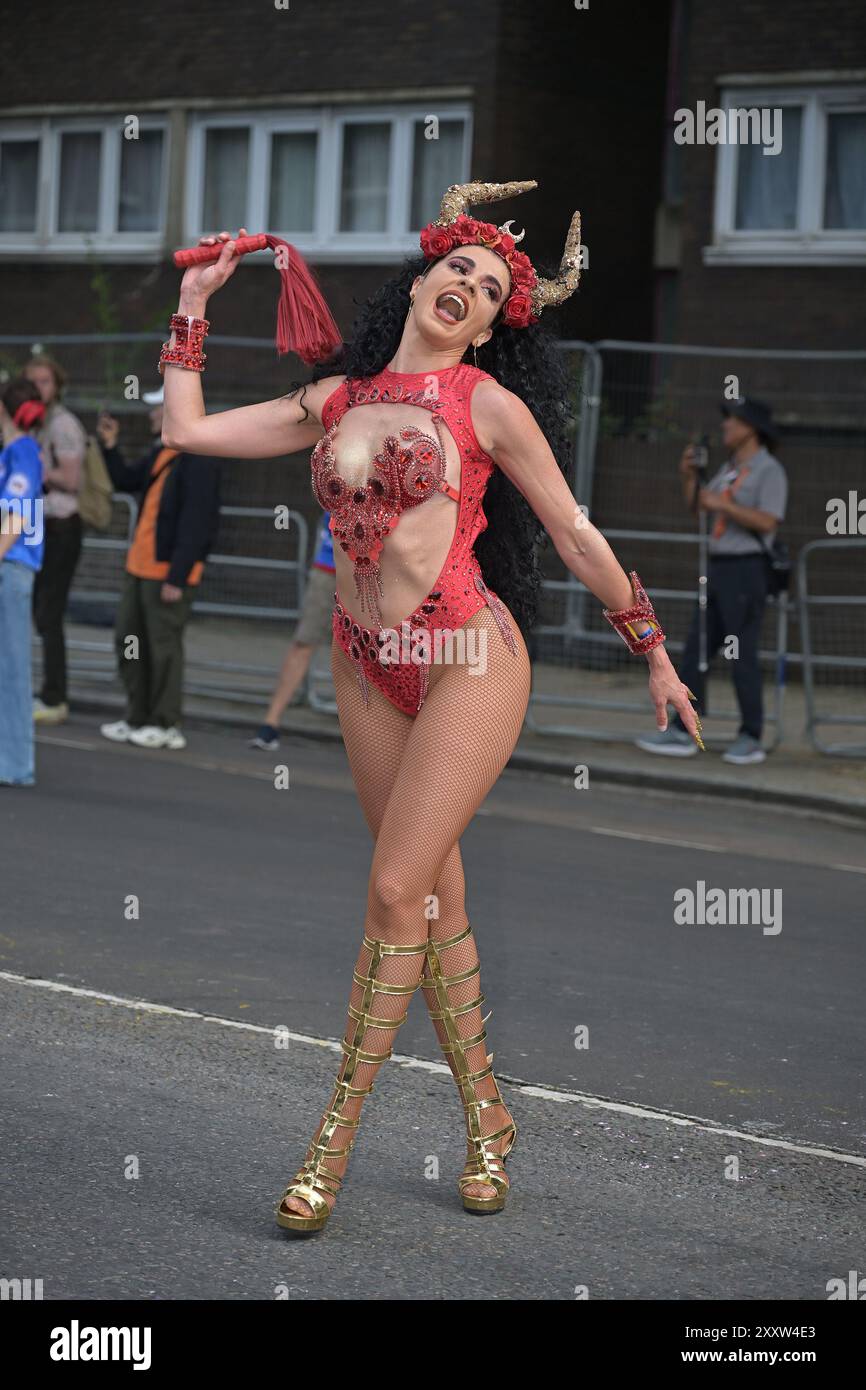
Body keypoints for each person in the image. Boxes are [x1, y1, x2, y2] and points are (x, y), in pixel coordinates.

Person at [159, 179, 700, 1236]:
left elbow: (576, 534)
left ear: (497, 323)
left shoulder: (485, 409)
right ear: (421, 277)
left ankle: (329, 1146)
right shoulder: (336, 399)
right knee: (428, 906)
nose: (469, 286)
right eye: (459, 267)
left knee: (393, 885)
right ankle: (489, 1118)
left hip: (466, 655)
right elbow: (184, 429)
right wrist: (196, 302)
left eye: (492, 288)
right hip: (370, 664)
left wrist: (653, 650)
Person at [637, 396, 787, 766]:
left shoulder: (769, 471)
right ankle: (685, 729)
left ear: (751, 428)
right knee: (696, 650)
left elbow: (768, 521)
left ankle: (750, 735)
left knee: (743, 654)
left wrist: (723, 505)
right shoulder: (729, 470)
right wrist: (689, 476)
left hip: (745, 569)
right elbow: (700, 506)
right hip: (719, 569)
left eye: (732, 422)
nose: (725, 428)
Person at [94, 385, 221, 750]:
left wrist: (177, 576)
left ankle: (166, 723)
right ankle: (137, 716)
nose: (152, 414)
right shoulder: (162, 450)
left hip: (167, 571)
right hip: (141, 566)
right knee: (129, 640)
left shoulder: (199, 456)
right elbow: (127, 480)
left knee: (163, 648)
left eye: (158, 408)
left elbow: (197, 523)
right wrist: (110, 445)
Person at [23, 354, 87, 725]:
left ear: (56, 385)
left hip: (61, 525)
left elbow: (71, 479)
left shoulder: (62, 425)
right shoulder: (31, 423)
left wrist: (37, 468)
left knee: (50, 613)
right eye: (33, 382)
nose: (39, 388)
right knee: (36, 609)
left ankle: (55, 694)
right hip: (38, 521)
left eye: (45, 381)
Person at [249, 511, 337, 750]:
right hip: (330, 566)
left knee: (370, 656)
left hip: (375, 570)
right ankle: (271, 723)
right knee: (304, 642)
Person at [0, 379, 46, 786]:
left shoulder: (23, 452)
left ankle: (15, 765)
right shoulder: (16, 451)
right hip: (9, 567)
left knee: (12, 669)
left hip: (11, 568)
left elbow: (16, 514)